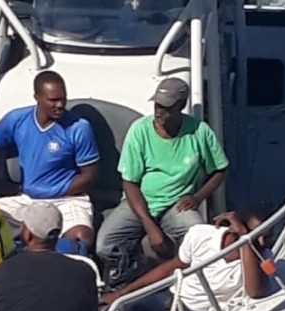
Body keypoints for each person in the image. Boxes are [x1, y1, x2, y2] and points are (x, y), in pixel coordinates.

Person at [96, 78, 228, 271]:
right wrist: (150, 227)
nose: (158, 112)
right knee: (104, 245)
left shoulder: (200, 132)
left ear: (181, 106)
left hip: (177, 205)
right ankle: (133, 272)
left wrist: (198, 197)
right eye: (157, 105)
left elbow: (219, 169)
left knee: (200, 239)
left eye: (166, 107)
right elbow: (129, 183)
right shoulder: (139, 130)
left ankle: (180, 277)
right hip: (140, 202)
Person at [101, 211, 268, 311]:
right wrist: (122, 293)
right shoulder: (201, 234)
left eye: (264, 236)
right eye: (256, 234)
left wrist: (245, 240)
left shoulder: (258, 260)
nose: (261, 241)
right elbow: (169, 268)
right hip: (171, 295)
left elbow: (254, 291)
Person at [0, 70, 99, 247]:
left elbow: (90, 175)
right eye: (53, 100)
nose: (60, 105)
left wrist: (52, 190)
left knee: (79, 239)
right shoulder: (17, 119)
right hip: (26, 199)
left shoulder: (79, 128)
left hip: (66, 200)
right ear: (37, 97)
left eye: (63, 99)